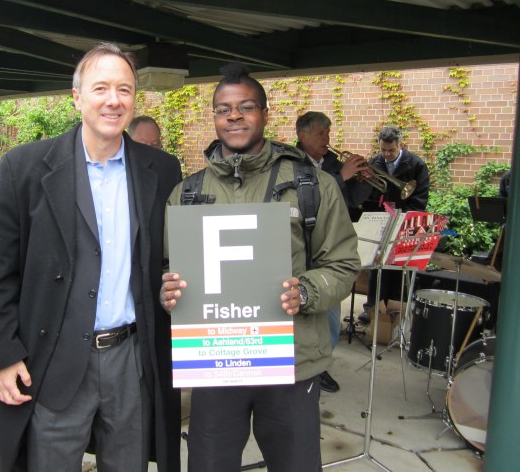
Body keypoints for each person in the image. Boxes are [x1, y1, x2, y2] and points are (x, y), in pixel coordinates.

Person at [0, 42, 182, 472]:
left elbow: (167, 257)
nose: (113, 100)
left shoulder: (161, 171)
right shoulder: (26, 168)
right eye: (101, 87)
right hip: (54, 359)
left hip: (131, 359)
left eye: (124, 89)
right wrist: (4, 355)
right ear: (77, 96)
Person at [160, 63, 360, 472]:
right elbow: (170, 268)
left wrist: (305, 291)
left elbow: (342, 264)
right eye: (223, 108)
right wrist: (169, 292)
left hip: (291, 360)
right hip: (215, 359)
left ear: (265, 114)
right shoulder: (188, 193)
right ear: (214, 117)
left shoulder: (312, 185)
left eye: (245, 106)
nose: (234, 116)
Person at [295, 111, 372, 393]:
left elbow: (349, 201)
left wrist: (361, 182)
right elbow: (313, 198)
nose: (327, 138)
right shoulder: (292, 163)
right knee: (317, 312)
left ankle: (322, 364)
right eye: (320, 133)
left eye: (328, 132)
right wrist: (340, 176)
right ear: (303, 136)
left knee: (331, 309)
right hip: (305, 249)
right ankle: (315, 367)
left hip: (329, 246)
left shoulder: (331, 163)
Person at [359, 126, 430, 323]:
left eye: (391, 150)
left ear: (400, 145)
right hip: (381, 219)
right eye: (383, 150)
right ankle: (372, 307)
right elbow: (370, 194)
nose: (386, 154)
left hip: (403, 221)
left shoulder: (416, 165)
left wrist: (402, 217)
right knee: (377, 264)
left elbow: (420, 198)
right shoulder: (375, 162)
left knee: (397, 267)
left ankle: (394, 309)